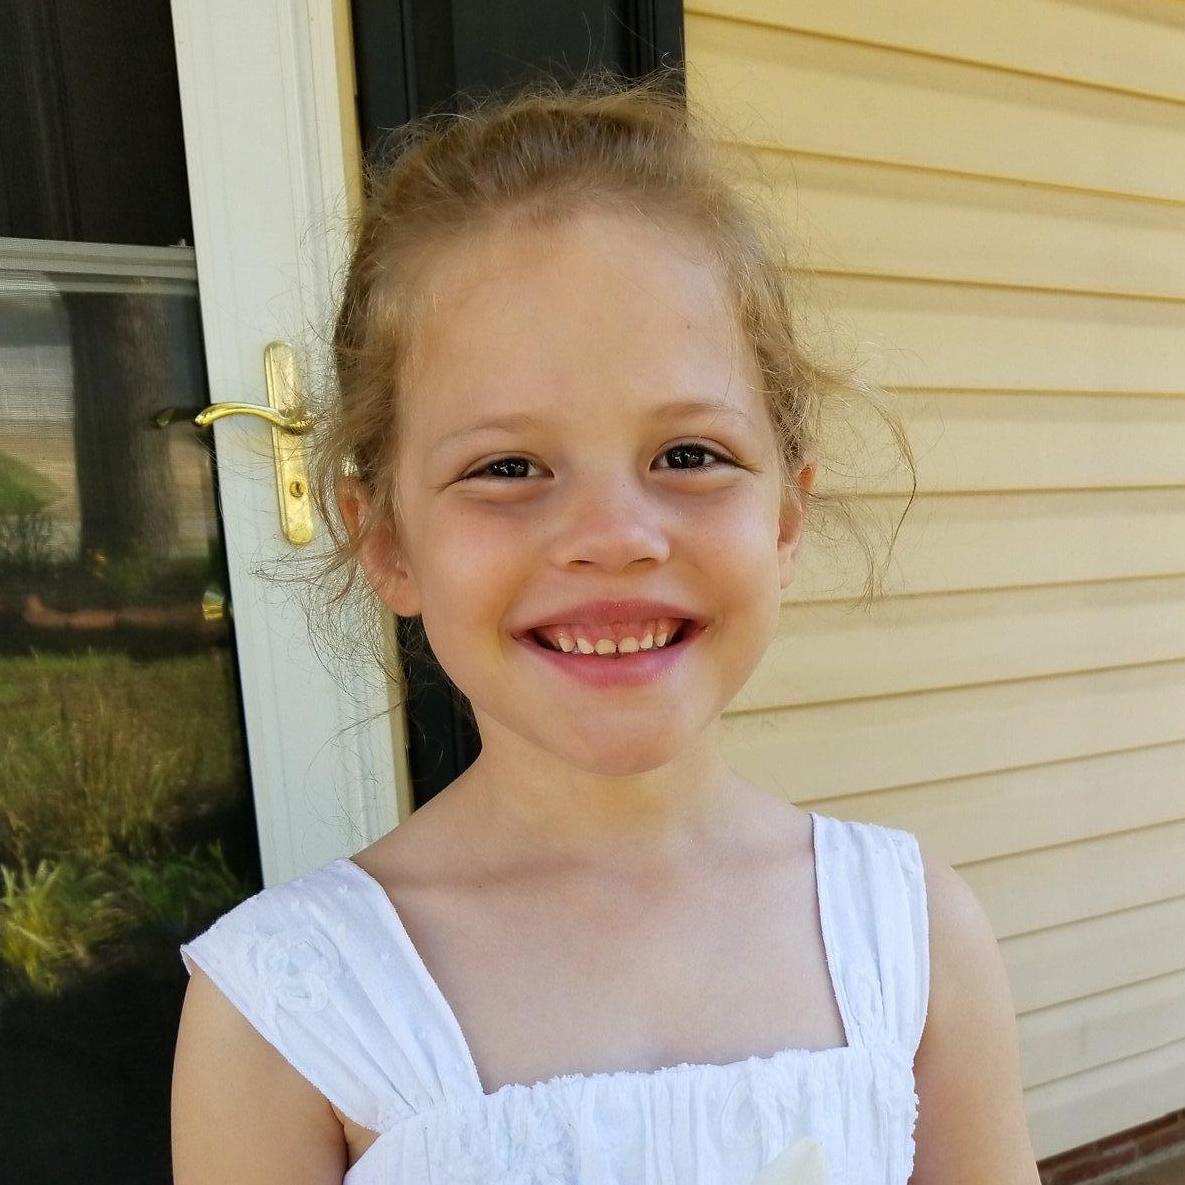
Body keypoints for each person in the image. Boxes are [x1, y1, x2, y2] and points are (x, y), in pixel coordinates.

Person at [170, 71, 1040, 1185]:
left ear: (785, 516)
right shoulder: (287, 1008)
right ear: (385, 539)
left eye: (688, 455)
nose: (614, 536)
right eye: (507, 467)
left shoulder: (912, 939)